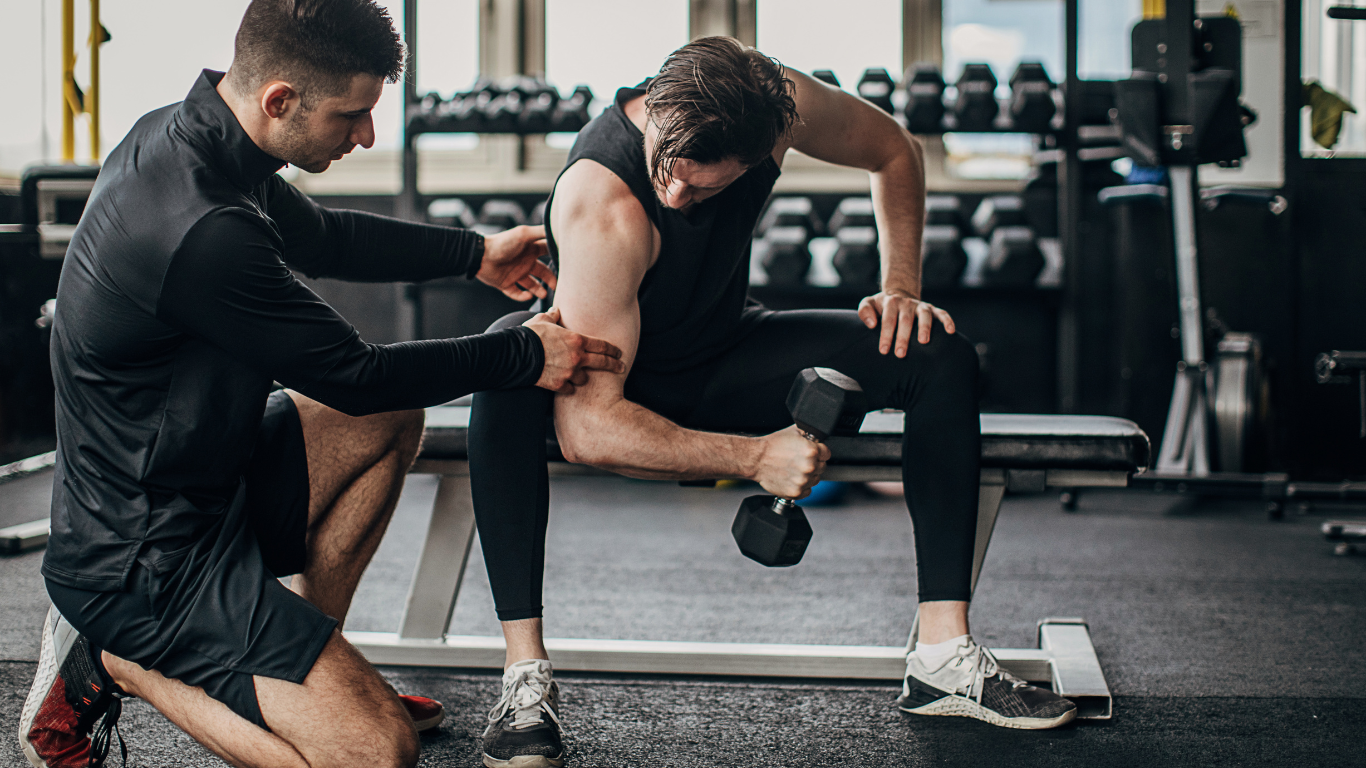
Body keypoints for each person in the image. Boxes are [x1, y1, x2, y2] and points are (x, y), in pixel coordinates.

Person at [18, 2, 624, 767]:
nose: (367, 136)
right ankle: (118, 662)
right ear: (281, 100)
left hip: (208, 477)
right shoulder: (202, 231)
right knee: (374, 753)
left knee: (394, 416)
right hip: (145, 561)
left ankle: (313, 666)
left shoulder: (199, 142)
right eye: (355, 116)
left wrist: (474, 254)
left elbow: (327, 237)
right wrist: (524, 357)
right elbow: (353, 374)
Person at [468, 36, 1078, 767]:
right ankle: (525, 679)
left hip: (726, 349)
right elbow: (591, 431)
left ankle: (943, 657)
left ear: (767, 151)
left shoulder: (781, 103)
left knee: (935, 351)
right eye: (667, 168)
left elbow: (895, 150)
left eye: (703, 189)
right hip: (618, 385)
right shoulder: (604, 203)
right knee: (508, 356)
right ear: (656, 110)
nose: (675, 196)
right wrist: (756, 457)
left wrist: (902, 289)